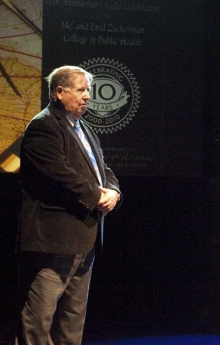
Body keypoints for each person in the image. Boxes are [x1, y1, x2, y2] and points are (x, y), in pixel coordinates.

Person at [15, 65, 121, 345]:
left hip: (84, 238)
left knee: (72, 320)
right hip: (54, 239)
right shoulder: (44, 125)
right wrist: (96, 195)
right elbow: (58, 173)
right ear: (59, 92)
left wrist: (112, 191)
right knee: (39, 319)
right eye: (81, 89)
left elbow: (103, 168)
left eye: (89, 90)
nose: (88, 96)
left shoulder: (84, 129)